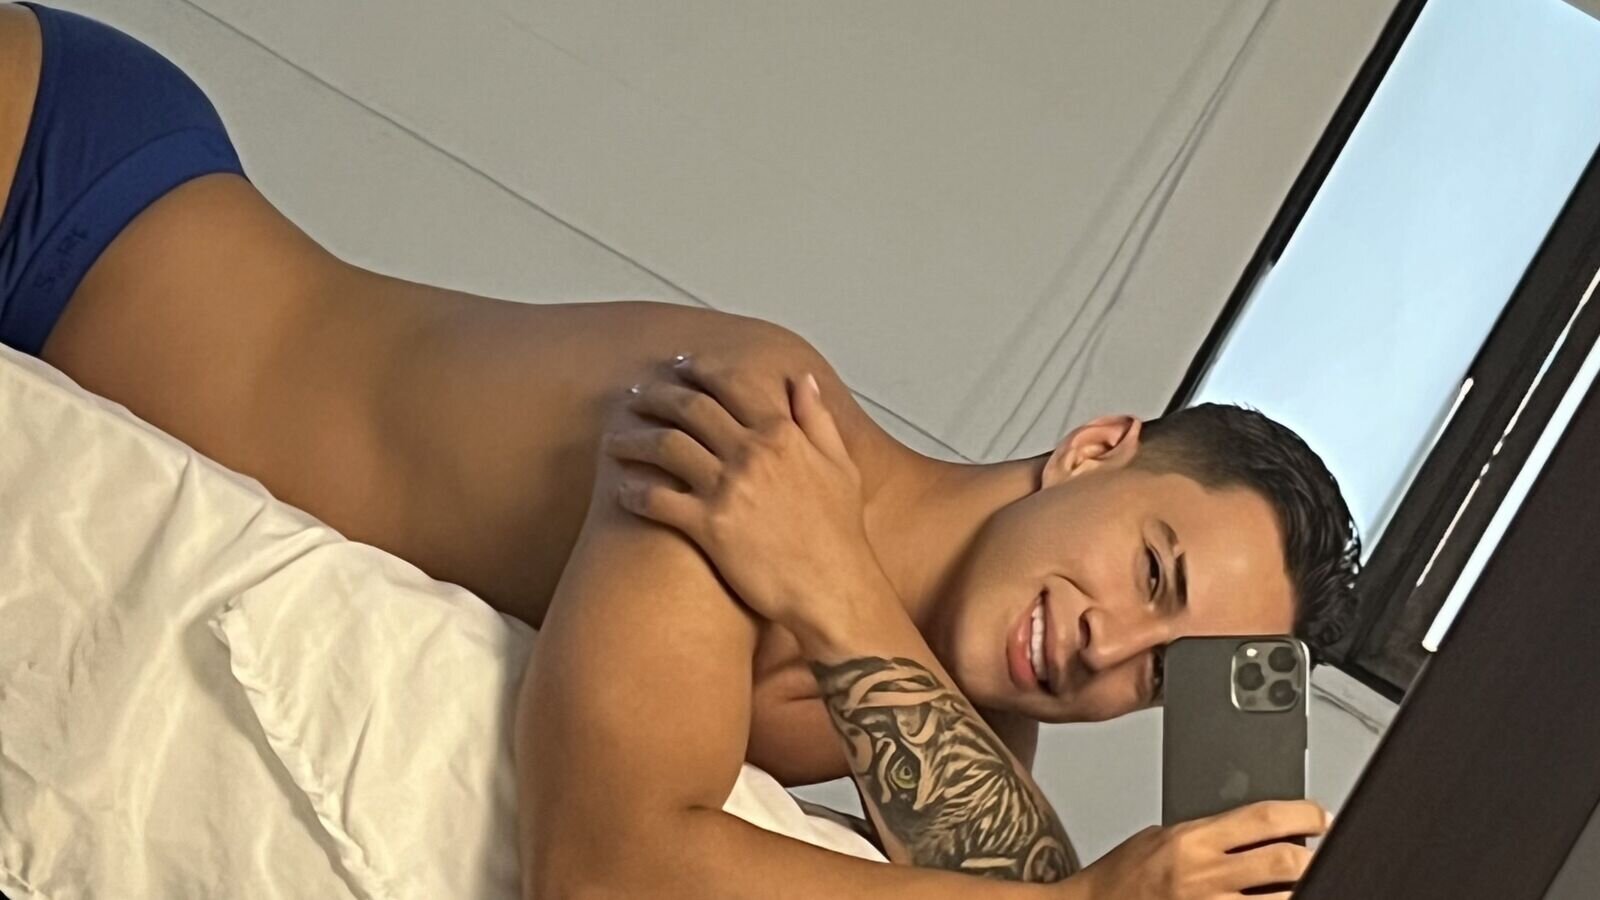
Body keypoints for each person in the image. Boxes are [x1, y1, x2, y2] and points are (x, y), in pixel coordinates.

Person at [0, 3, 1355, 896]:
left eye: (1161, 674)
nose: (1108, 645)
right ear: (1096, 450)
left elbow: (1025, 879)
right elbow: (602, 869)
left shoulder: (959, 723)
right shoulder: (762, 423)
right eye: (1154, 573)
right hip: (76, 183)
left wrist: (833, 589)